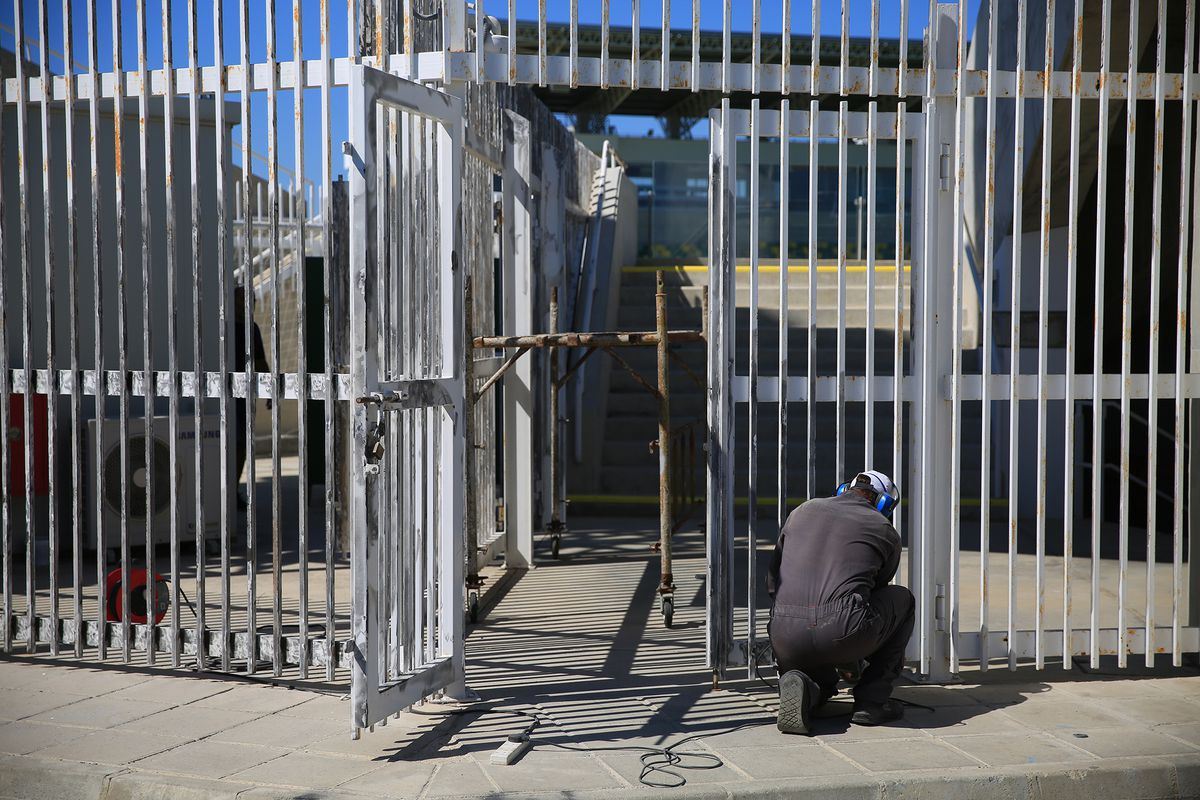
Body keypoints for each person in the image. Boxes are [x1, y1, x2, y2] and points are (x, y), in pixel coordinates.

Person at [766, 470, 914, 734]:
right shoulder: (883, 529)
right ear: (883, 504)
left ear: (843, 490)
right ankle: (871, 702)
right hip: (841, 631)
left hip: (784, 635)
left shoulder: (802, 511)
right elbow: (875, 589)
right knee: (902, 600)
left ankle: (808, 688)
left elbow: (772, 578)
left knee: (812, 617)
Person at [233, 286, 270, 509]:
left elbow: (260, 361)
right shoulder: (225, 327)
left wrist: (269, 390)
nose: (251, 303)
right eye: (245, 299)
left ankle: (233, 488)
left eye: (253, 299)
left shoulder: (251, 329)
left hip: (243, 395)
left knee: (241, 445)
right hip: (222, 394)